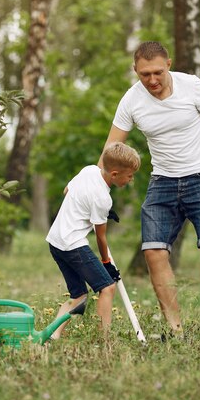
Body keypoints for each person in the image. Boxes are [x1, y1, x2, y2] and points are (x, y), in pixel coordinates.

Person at [101, 41, 200, 339]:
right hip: (162, 181)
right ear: (135, 71)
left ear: (168, 64)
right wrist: (100, 191)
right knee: (153, 253)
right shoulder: (131, 100)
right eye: (144, 74)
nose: (151, 80)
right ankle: (175, 329)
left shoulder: (191, 87)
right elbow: (111, 150)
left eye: (157, 72)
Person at [47, 142, 141, 339]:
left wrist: (89, 208)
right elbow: (101, 236)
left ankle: (52, 336)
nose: (131, 180)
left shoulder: (89, 170)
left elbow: (67, 191)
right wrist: (106, 262)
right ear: (115, 174)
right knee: (107, 287)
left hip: (56, 241)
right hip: (73, 244)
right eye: (130, 176)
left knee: (79, 296)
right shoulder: (102, 199)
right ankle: (103, 338)